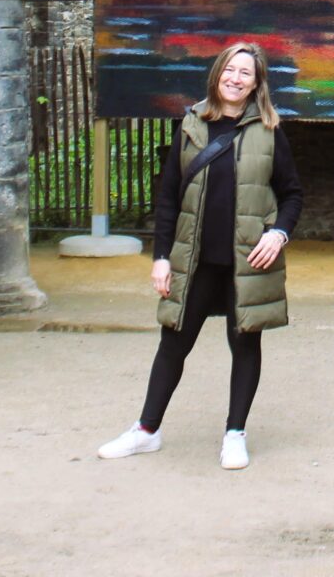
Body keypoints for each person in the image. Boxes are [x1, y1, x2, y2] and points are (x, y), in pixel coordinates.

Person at [98, 41, 304, 470]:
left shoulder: (269, 131)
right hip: (194, 258)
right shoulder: (191, 126)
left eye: (246, 73)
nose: (236, 78)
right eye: (230, 69)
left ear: (256, 84)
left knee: (245, 342)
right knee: (173, 342)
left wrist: (279, 233)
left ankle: (235, 434)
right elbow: (169, 197)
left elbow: (291, 194)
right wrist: (160, 257)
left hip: (249, 261)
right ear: (217, 74)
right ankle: (146, 431)